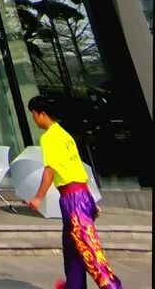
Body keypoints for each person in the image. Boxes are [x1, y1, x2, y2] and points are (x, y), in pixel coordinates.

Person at [26, 95, 122, 289]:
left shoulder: (49, 137)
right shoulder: (65, 136)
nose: (34, 119)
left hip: (73, 199)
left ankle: (112, 287)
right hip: (80, 195)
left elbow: (50, 170)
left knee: (89, 250)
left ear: (41, 114)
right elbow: (78, 168)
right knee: (72, 249)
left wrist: (38, 197)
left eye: (33, 114)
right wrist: (90, 200)